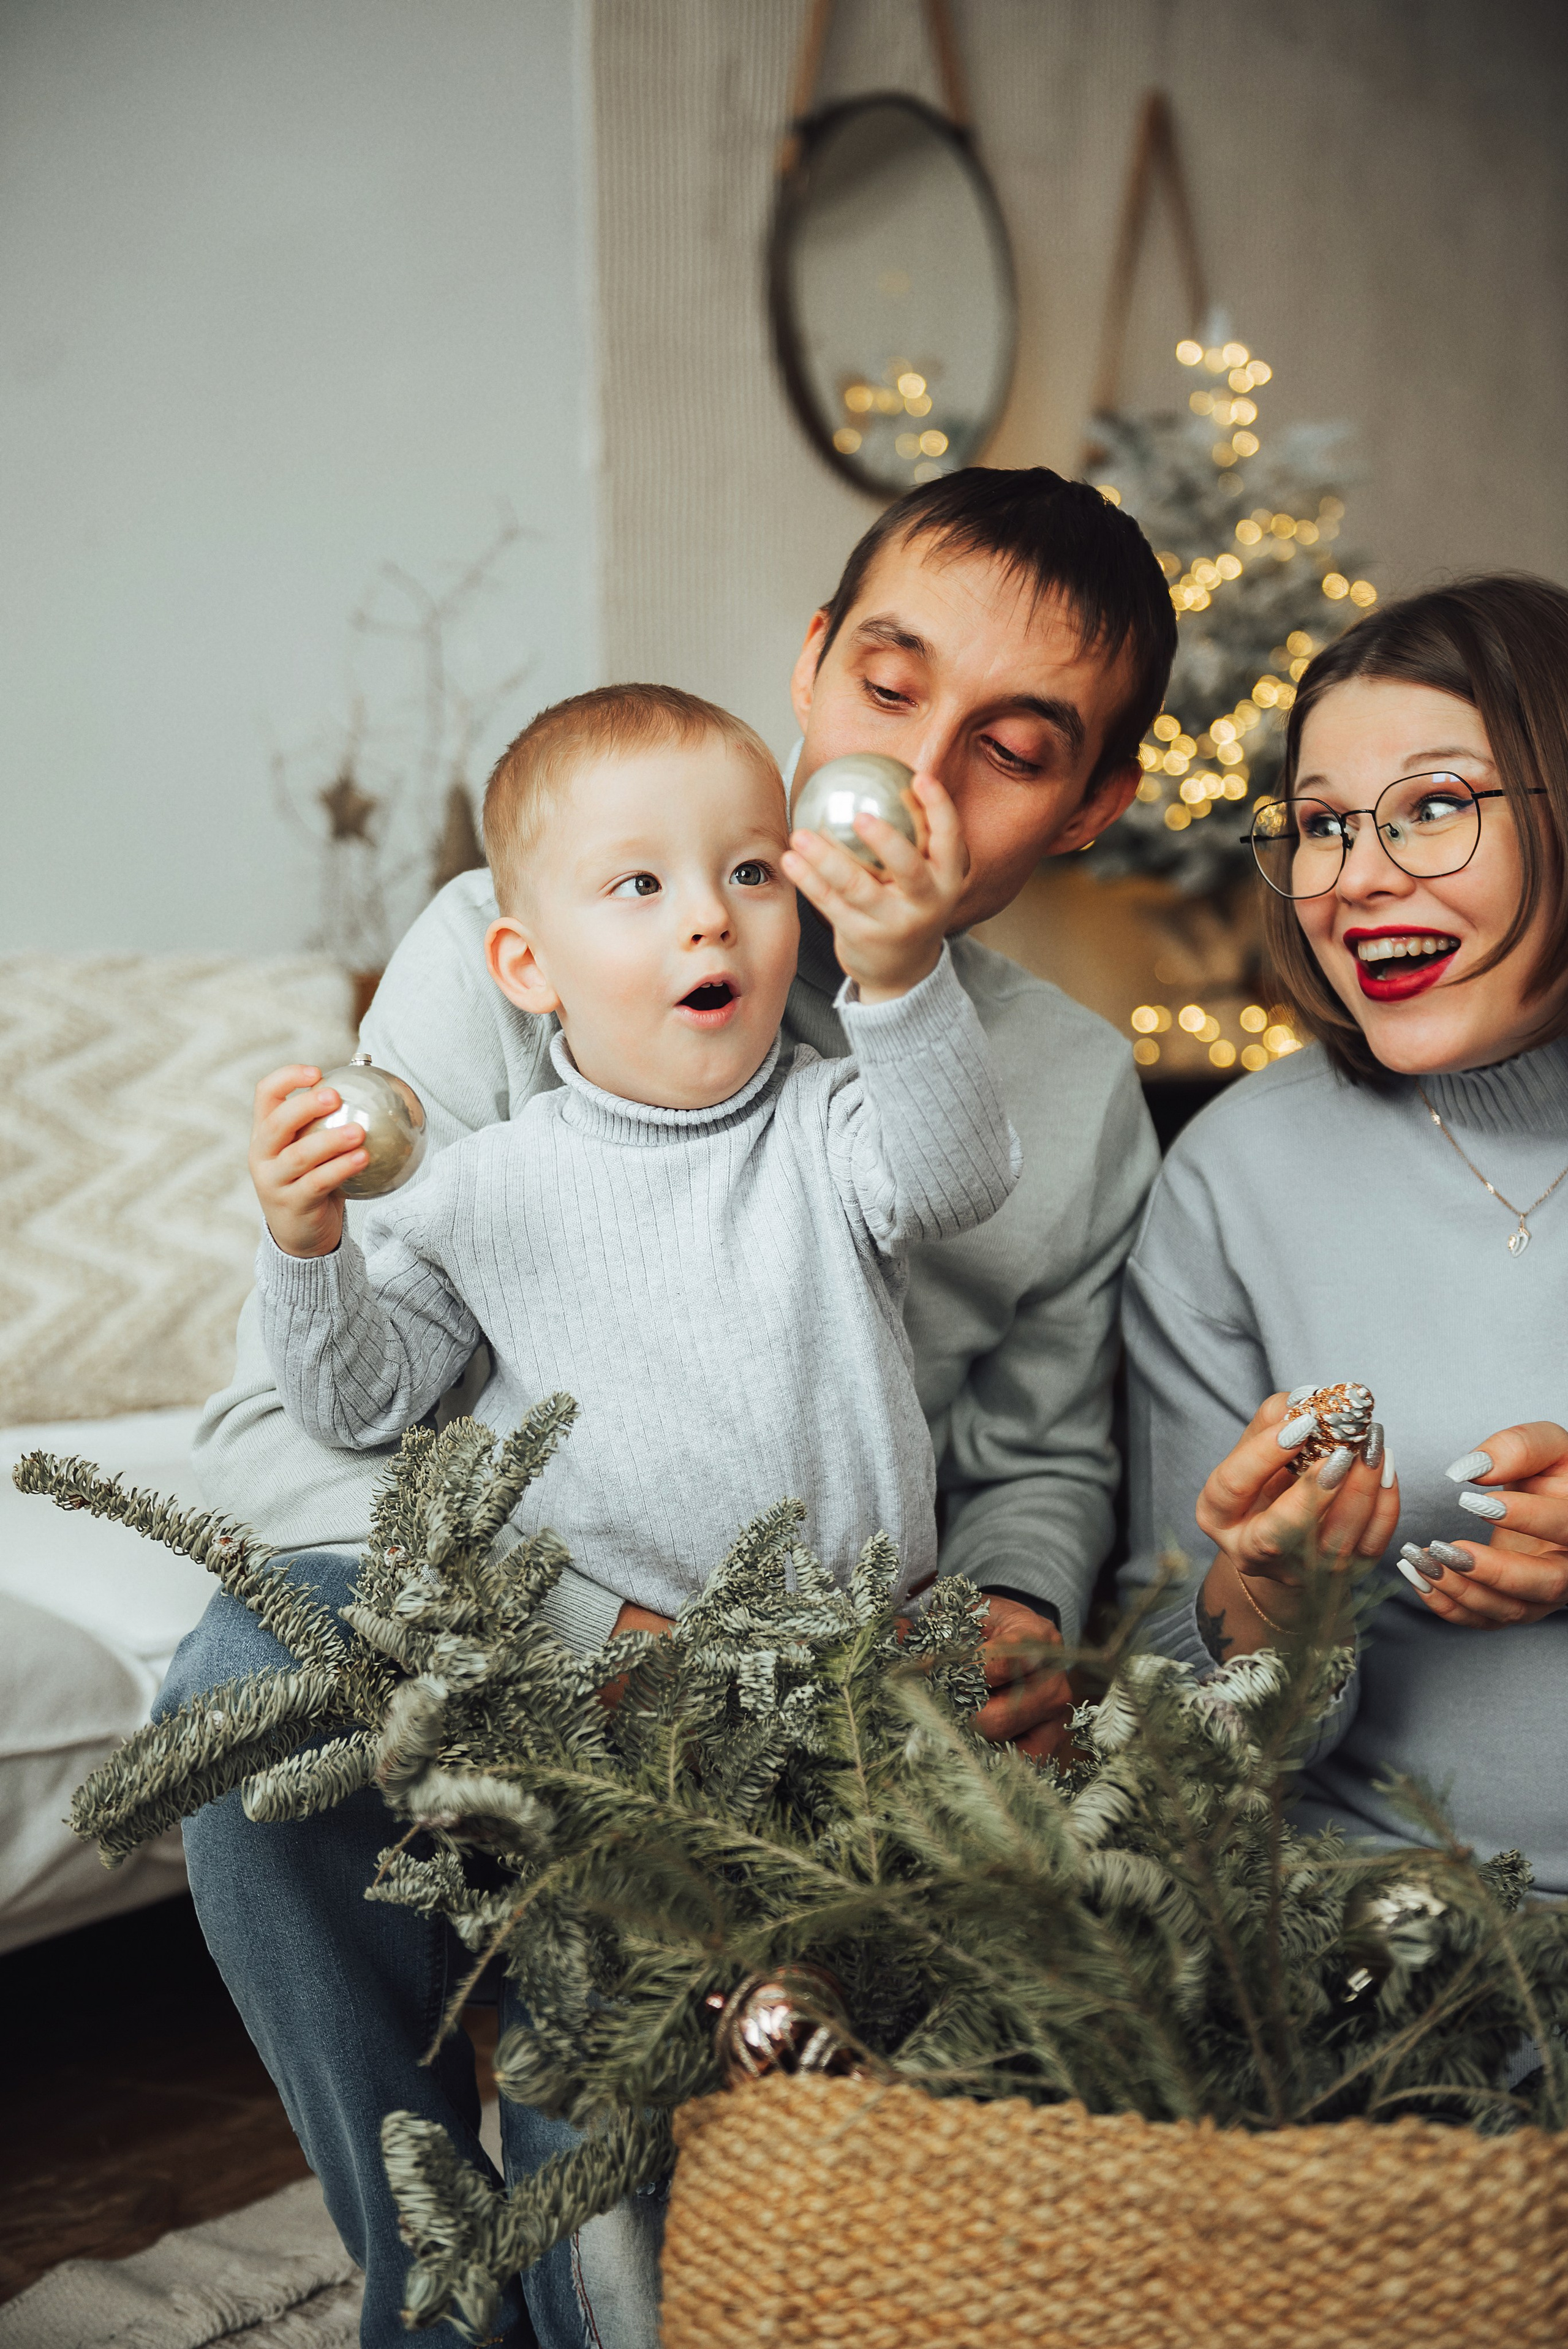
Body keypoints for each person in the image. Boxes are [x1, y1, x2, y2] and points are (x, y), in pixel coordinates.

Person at [167, 466, 1175, 2348]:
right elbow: (295, 1433)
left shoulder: (1049, 1089)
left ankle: (596, 2233)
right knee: (245, 1654)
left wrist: (1019, 1619)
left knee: (617, 2147)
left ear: (1098, 801)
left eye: (1013, 748)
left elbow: (1045, 1452)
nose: (922, 777)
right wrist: (590, 1627)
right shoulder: (517, 939)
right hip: (532, 1645)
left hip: (833, 1691)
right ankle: (420, 2261)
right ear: (810, 665)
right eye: (888, 690)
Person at [248, 682, 1020, 1627]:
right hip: (609, 1694)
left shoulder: (832, 1123)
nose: (711, 917)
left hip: (860, 1674)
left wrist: (903, 974)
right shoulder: (479, 1190)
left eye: (750, 872)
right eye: (641, 885)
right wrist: (308, 1251)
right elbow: (362, 1408)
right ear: (528, 968)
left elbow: (960, 1183)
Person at [1122, 574, 1568, 1906]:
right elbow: (1180, 1753)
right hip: (1365, 1966)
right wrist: (1270, 1604)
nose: (1356, 876)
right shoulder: (1234, 1177)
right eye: (1319, 825)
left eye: (1434, 805)